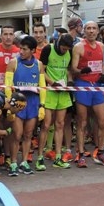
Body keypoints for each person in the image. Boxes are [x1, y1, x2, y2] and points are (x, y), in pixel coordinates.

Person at [70, 20, 104, 167]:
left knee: (103, 121)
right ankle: (80, 154)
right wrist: (82, 71)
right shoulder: (78, 47)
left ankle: (100, 152)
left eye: (94, 28)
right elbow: (73, 68)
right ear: (84, 31)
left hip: (97, 85)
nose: (91, 31)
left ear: (98, 31)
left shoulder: (101, 46)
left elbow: (102, 65)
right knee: (82, 122)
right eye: (88, 28)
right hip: (83, 85)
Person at [5, 35, 44, 173]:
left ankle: (24, 162)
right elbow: (7, 85)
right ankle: (13, 163)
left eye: (25, 49)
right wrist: (10, 105)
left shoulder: (38, 65)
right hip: (17, 103)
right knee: (17, 134)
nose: (21, 51)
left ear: (33, 50)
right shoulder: (13, 63)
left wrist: (42, 106)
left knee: (28, 134)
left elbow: (42, 86)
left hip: (33, 102)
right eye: (20, 48)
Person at [40, 32, 75, 169]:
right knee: (46, 124)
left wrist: (70, 82)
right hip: (50, 91)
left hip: (63, 92)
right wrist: (52, 83)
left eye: (67, 49)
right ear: (59, 43)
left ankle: (58, 157)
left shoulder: (69, 52)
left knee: (60, 124)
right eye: (63, 48)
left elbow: (68, 70)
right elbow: (41, 70)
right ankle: (40, 157)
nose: (65, 51)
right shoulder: (48, 49)